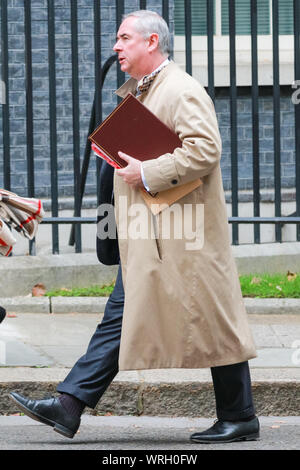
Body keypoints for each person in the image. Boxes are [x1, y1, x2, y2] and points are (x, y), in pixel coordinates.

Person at [10, 10, 260, 444]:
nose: (116, 47)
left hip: (182, 233)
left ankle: (240, 416)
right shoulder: (146, 90)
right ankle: (69, 405)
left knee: (215, 318)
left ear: (151, 42)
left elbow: (205, 151)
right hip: (155, 232)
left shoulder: (180, 89)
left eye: (124, 38)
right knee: (123, 313)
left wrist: (147, 172)